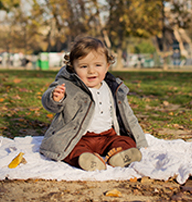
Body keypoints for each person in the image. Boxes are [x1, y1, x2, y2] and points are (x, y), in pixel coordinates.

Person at [40, 36, 148, 171]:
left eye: (97, 65)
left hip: (108, 136)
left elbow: (129, 117)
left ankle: (120, 155)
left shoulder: (112, 88)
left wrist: (141, 141)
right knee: (68, 147)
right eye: (84, 66)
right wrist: (55, 98)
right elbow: (49, 104)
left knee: (126, 141)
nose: (91, 71)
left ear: (107, 66)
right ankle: (86, 159)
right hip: (79, 136)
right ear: (73, 68)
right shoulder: (67, 86)